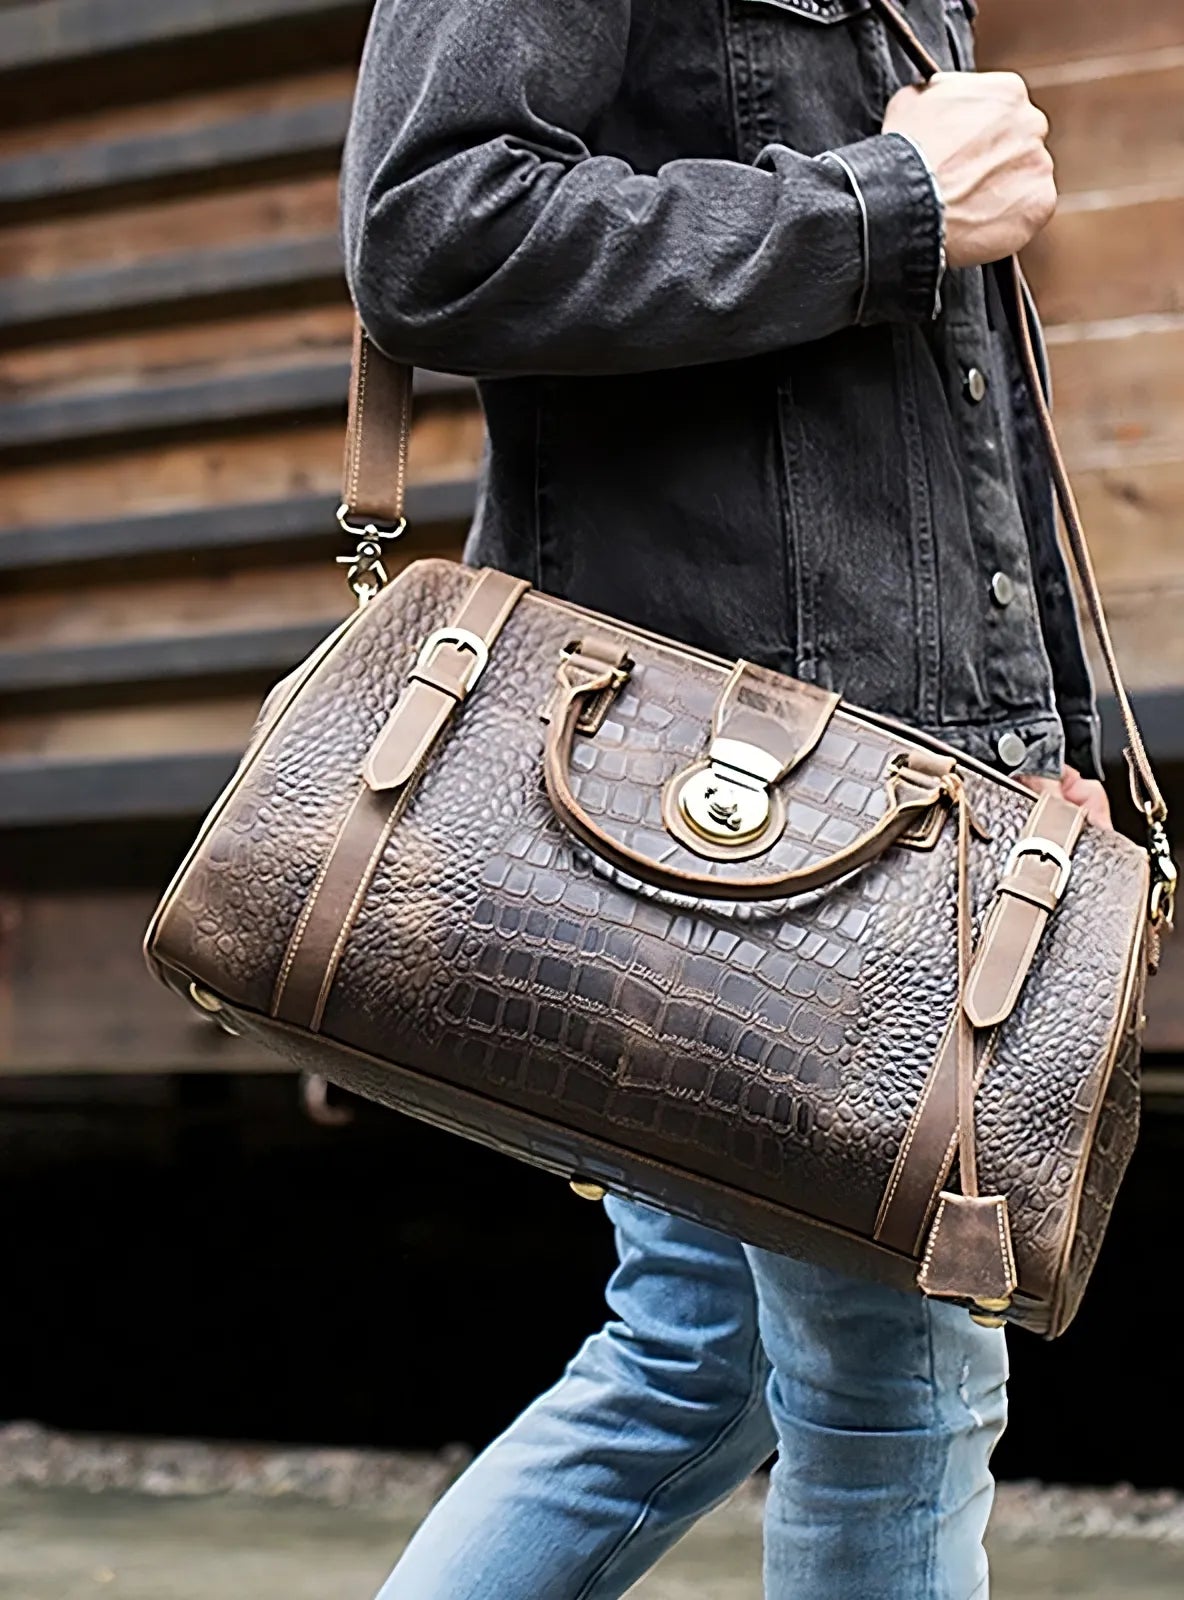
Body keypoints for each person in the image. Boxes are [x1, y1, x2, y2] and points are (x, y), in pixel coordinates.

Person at [342, 1, 1110, 1594]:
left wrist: (1052, 738)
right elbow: (431, 230)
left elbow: (963, 397)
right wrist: (880, 205)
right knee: (898, 1405)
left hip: (909, 776)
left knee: (698, 1366)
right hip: (729, 798)